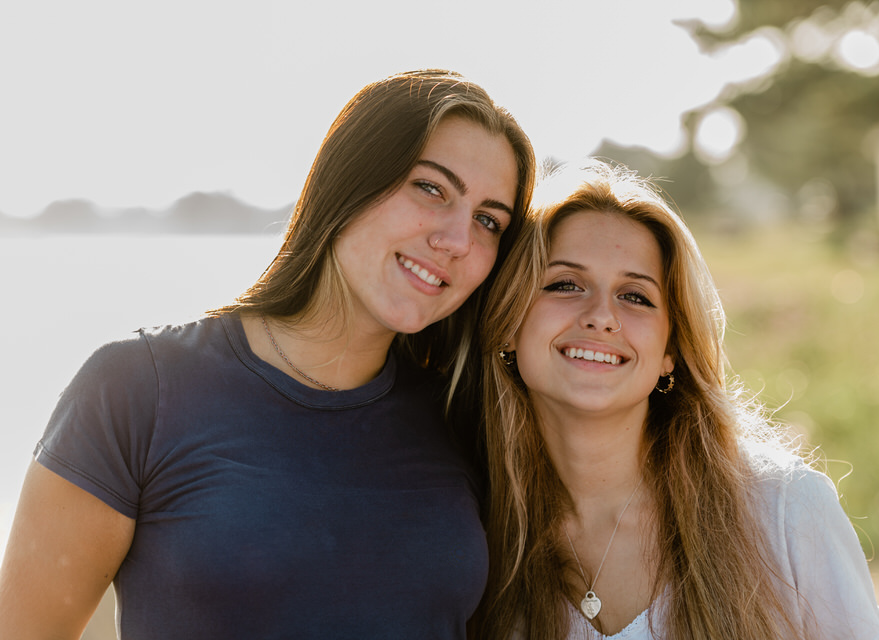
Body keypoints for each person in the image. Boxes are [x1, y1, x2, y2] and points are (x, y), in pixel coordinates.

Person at [0, 69, 535, 639]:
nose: (456, 240)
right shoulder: (138, 389)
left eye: (487, 221)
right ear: (351, 178)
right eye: (430, 188)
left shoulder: (471, 418)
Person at [473, 161, 879, 639]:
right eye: (565, 284)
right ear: (509, 321)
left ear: (669, 351)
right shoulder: (471, 537)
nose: (602, 317)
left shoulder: (785, 509)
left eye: (635, 296)